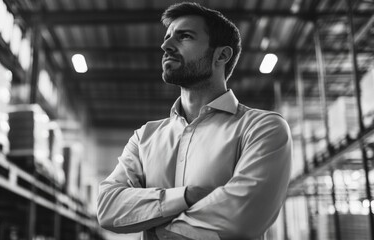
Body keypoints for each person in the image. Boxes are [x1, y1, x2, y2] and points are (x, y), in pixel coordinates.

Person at [97, 2, 292, 240]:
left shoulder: (262, 128)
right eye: (168, 37)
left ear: (221, 55)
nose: (165, 45)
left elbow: (241, 218)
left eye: (184, 37)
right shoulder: (145, 136)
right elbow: (108, 208)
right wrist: (187, 196)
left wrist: (156, 229)